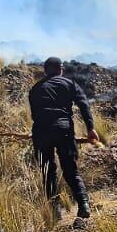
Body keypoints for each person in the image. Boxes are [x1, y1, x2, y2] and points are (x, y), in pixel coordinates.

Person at [28, 57, 97, 222]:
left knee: (47, 171)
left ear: (45, 70)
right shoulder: (69, 83)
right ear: (60, 69)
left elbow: (34, 115)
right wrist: (90, 128)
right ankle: (84, 205)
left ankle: (55, 211)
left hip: (41, 131)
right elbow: (83, 104)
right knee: (70, 170)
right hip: (63, 129)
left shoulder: (35, 88)